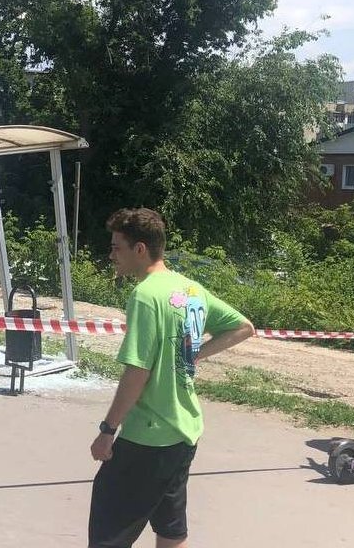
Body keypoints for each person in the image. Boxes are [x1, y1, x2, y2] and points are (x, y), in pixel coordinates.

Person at [88, 208, 256, 548]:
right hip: (184, 431)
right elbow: (243, 327)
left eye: (117, 247)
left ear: (140, 249)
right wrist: (193, 354)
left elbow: (138, 372)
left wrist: (108, 430)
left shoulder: (146, 295)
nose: (111, 255)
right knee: (170, 528)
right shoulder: (190, 289)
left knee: (109, 532)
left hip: (148, 437)